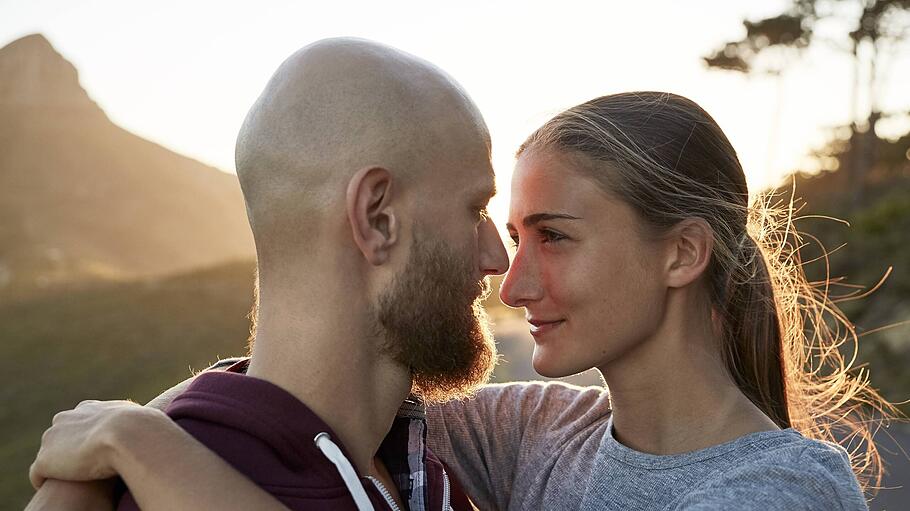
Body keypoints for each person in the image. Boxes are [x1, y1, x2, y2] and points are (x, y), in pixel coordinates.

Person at [30, 92, 894, 510]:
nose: (512, 284)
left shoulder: (777, 490)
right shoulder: (544, 434)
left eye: (553, 236)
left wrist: (135, 441)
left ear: (681, 252)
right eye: (509, 234)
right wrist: (102, 465)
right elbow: (310, 396)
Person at [27, 36, 509, 511]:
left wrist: (134, 438)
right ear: (377, 218)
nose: (498, 258)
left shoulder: (423, 476)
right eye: (476, 210)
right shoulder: (151, 493)